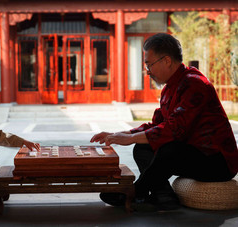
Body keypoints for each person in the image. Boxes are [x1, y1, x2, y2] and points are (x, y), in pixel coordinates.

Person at [90, 33, 238, 211]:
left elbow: (175, 130)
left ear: (167, 60)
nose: (147, 71)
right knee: (143, 147)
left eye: (149, 64)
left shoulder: (194, 84)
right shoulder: (170, 87)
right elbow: (157, 124)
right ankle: (164, 196)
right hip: (193, 153)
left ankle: (137, 192)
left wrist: (132, 137)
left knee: (169, 149)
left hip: (217, 161)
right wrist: (123, 135)